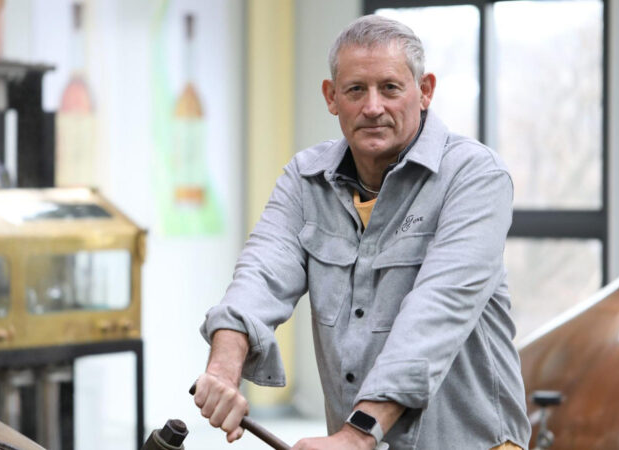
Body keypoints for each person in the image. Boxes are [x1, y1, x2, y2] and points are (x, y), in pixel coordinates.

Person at [193, 14, 531, 450]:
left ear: (424, 91)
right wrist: (223, 367)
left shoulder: (474, 176)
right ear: (332, 97)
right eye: (356, 90)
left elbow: (436, 312)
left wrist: (358, 433)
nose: (373, 107)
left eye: (390, 88)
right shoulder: (305, 178)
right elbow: (261, 273)